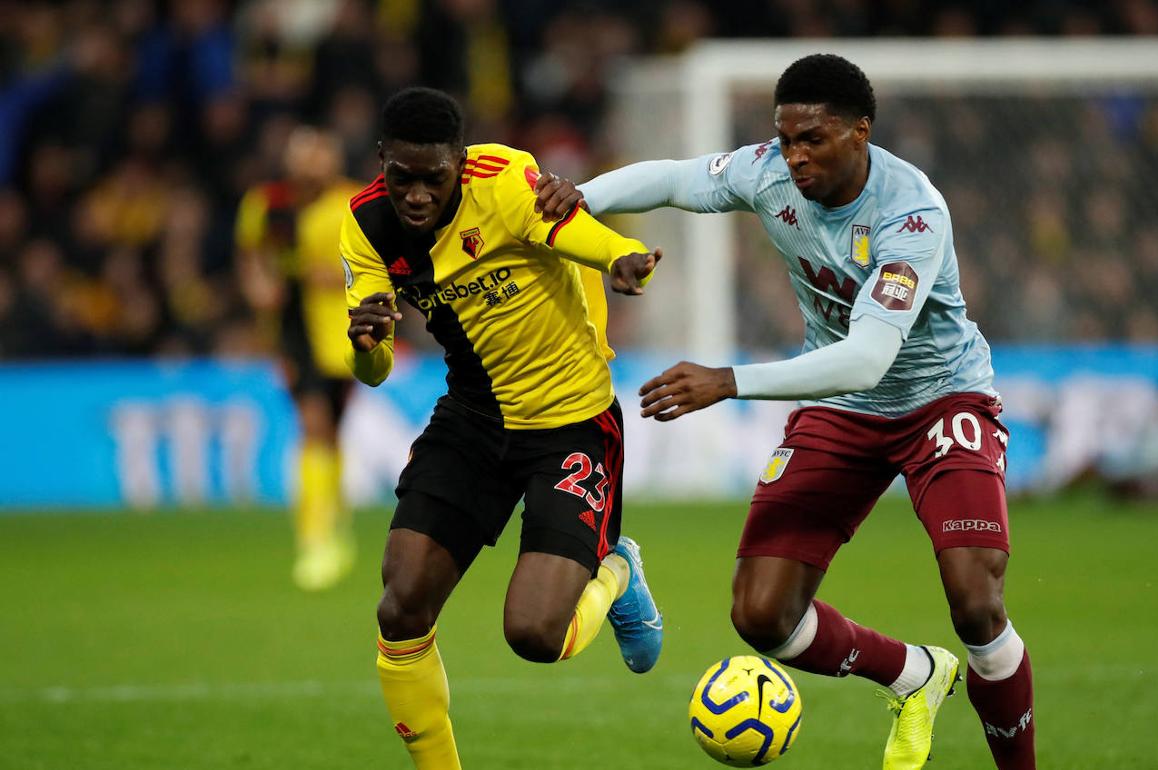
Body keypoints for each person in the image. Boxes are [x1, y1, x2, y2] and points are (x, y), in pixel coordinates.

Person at [536, 54, 1035, 769]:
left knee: (976, 601)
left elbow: (870, 357)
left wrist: (728, 381)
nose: (794, 156)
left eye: (814, 139)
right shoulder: (767, 170)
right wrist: (579, 196)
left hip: (940, 400)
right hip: (841, 408)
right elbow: (676, 180)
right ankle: (915, 677)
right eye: (786, 137)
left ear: (861, 132)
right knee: (762, 615)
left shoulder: (911, 215)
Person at [341, 86, 664, 768]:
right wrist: (367, 344)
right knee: (401, 606)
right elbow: (369, 370)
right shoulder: (366, 224)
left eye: (435, 177)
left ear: (460, 161)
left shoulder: (506, 178)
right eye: (404, 178)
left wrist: (620, 258)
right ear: (382, 162)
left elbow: (572, 229)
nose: (419, 195)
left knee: (536, 635)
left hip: (572, 423)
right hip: (473, 419)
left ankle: (614, 570)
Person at [235, 126, 361, 591]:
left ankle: (333, 521)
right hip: (295, 328)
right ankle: (316, 540)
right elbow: (252, 256)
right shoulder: (267, 205)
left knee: (333, 427)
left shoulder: (352, 202)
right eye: (304, 152)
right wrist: (259, 286)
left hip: (344, 329)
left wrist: (342, 276)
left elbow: (376, 259)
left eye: (320, 153)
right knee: (314, 425)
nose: (312, 162)